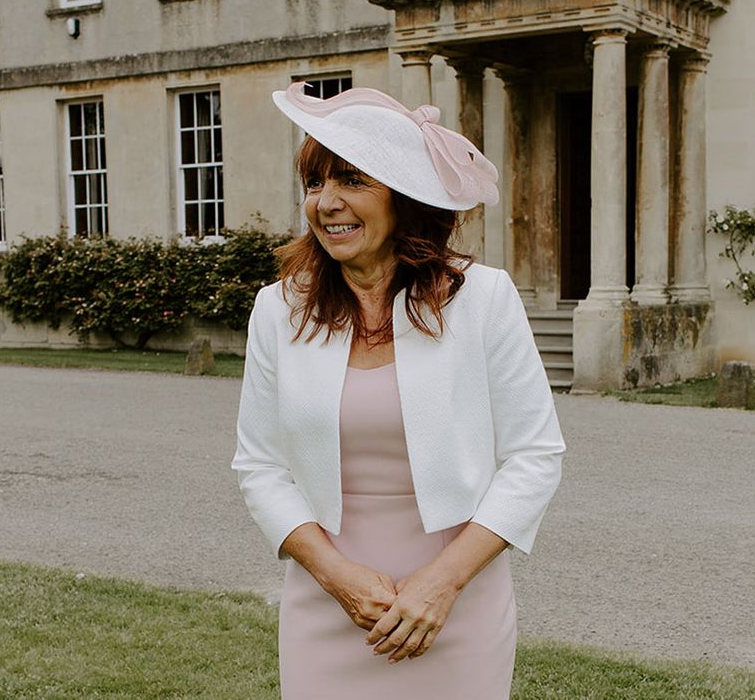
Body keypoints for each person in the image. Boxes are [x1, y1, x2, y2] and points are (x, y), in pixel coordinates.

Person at [232, 82, 565, 700]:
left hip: (456, 601)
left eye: (351, 180)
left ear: (403, 194)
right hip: (326, 601)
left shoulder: (484, 299)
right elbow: (259, 465)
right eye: (313, 184)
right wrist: (335, 578)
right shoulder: (277, 310)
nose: (326, 203)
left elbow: (535, 456)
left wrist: (441, 585)